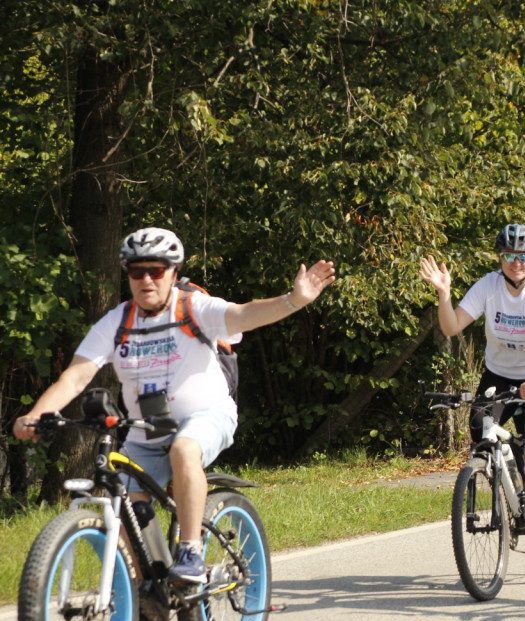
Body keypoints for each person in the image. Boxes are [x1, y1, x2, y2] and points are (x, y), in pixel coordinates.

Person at [13, 227, 336, 582]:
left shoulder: (193, 308)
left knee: (184, 449)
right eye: (137, 271)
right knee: (123, 506)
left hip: (208, 415)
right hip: (146, 433)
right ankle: (147, 589)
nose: (146, 280)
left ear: (173, 272)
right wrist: (36, 414)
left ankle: (191, 552)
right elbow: (75, 377)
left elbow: (244, 314)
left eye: (156, 270)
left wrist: (293, 300)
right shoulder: (116, 322)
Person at [420, 223, 525, 540]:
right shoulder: (488, 286)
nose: (517, 263)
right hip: (499, 373)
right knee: (479, 426)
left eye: (524, 256)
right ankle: (517, 467)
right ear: (499, 257)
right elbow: (451, 327)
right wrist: (444, 295)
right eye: (509, 255)